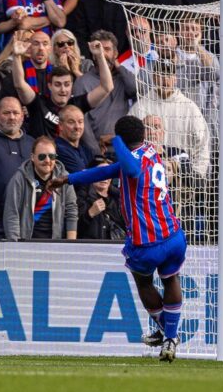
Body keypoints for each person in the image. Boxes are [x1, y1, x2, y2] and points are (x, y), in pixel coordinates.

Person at [49, 116, 188, 362]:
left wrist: (115, 140)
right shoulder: (149, 152)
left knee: (144, 283)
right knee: (170, 279)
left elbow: (131, 169)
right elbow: (105, 171)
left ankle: (169, 333)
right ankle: (169, 335)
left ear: (122, 141)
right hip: (173, 234)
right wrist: (68, 178)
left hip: (147, 242)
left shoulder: (131, 160)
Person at [4, 136, 78, 241]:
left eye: (52, 156)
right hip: (27, 242)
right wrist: (16, 247)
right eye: (42, 156)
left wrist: (71, 244)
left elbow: (71, 212)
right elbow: (11, 215)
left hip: (55, 243)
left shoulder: (64, 178)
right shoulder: (19, 179)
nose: (47, 160)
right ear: (32, 157)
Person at [0, 97, 34, 240]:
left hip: (25, 222)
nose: (12, 117)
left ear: (22, 115)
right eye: (6, 113)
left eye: (15, 112)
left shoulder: (32, 143)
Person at [76, 155, 125, 240]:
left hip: (117, 248)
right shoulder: (82, 196)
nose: (104, 177)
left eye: (108, 173)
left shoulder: (120, 197)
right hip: (91, 248)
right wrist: (89, 214)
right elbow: (73, 229)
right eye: (100, 173)